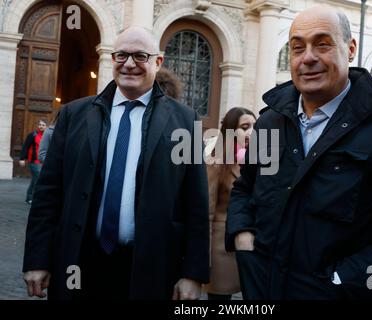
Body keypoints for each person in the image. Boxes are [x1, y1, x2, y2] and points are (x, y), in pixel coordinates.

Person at [225, 6, 372, 299]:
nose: (308, 57)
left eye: (322, 43)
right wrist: (243, 238)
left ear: (350, 48)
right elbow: (245, 189)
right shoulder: (270, 121)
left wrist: (344, 280)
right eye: (297, 47)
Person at [22, 26, 209, 300]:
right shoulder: (74, 115)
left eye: (140, 56)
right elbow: (48, 193)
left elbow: (196, 202)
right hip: (79, 264)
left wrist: (193, 273)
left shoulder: (185, 121)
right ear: (112, 59)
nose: (129, 64)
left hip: (150, 269)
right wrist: (37, 259)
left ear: (158, 62)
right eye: (122, 55)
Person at [204, 107, 256, 300]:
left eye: (254, 126)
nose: (251, 132)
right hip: (220, 251)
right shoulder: (215, 162)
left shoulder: (258, 161)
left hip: (251, 248)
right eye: (245, 127)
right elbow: (206, 213)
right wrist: (204, 258)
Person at [19, 119, 47, 204]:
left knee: (35, 179)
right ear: (38, 126)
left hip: (43, 161)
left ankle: (30, 198)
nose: (41, 126)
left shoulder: (47, 135)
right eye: (40, 124)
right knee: (37, 178)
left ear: (46, 126)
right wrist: (22, 158)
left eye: (43, 125)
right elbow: (25, 146)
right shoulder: (32, 135)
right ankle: (32, 198)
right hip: (34, 161)